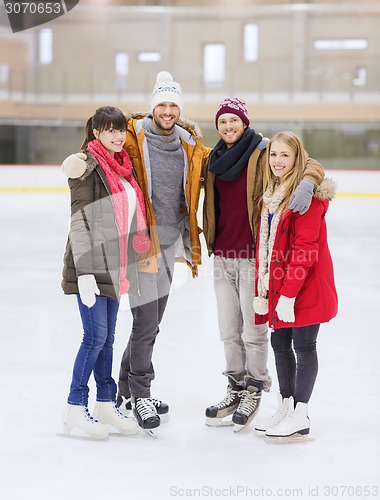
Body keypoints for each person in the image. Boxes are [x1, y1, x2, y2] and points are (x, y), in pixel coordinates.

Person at [62, 72, 211, 432]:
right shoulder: (131, 138)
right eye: (161, 103)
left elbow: (221, 166)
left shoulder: (190, 144)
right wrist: (76, 161)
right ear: (152, 107)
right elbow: (93, 155)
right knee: (140, 325)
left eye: (174, 104)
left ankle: (124, 390)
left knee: (151, 323)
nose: (167, 110)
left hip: (166, 242)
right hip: (136, 248)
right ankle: (138, 393)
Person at [202, 99, 325, 432]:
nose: (228, 126)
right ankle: (235, 387)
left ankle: (255, 389)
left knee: (253, 332)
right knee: (229, 331)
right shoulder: (211, 158)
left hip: (253, 255)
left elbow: (306, 161)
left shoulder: (263, 150)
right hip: (222, 255)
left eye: (234, 120)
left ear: (245, 122)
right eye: (223, 121)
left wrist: (307, 182)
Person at [61, 106, 151, 439]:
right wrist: (84, 273)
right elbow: (80, 221)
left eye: (121, 130)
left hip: (115, 267)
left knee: (108, 340)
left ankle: (104, 403)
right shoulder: (86, 167)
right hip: (92, 267)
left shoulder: (123, 168)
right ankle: (74, 407)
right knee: (95, 338)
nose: (117, 135)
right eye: (109, 130)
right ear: (95, 132)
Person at [253, 131, 338, 441]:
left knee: (303, 347)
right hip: (281, 284)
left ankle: (301, 414)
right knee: (279, 345)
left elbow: (305, 249)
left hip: (305, 286)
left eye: (285, 155)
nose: (278, 161)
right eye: (274, 154)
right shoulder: (274, 191)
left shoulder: (308, 196)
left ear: (297, 158)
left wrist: (288, 294)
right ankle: (286, 406)